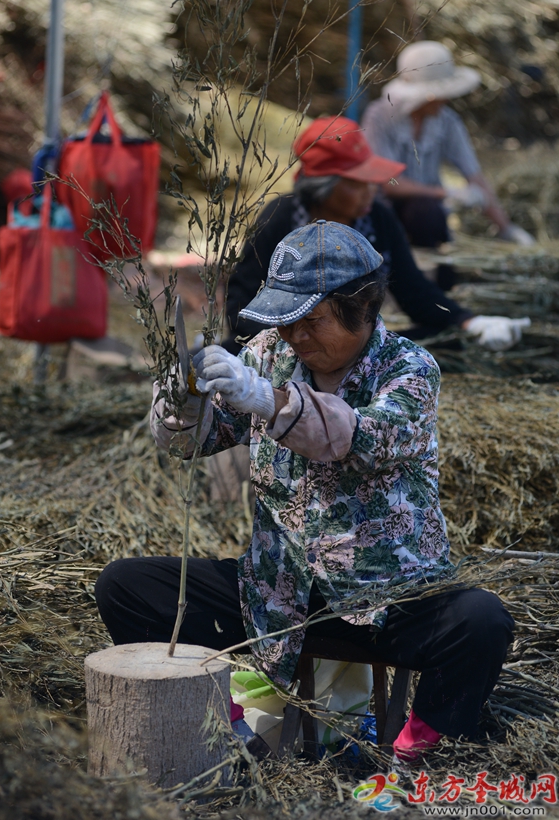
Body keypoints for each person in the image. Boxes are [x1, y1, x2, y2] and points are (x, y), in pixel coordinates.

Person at [95, 221, 514, 762]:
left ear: (363, 308)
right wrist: (183, 407)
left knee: (481, 621)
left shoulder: (409, 368)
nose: (296, 336)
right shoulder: (269, 353)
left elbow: (360, 439)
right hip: (279, 590)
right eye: (287, 321)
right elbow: (199, 440)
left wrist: (269, 399)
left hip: (386, 595)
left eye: (312, 321)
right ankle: (226, 733)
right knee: (127, 586)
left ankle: (416, 751)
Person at [224, 115, 530, 355]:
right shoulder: (281, 219)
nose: (371, 190)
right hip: (294, 340)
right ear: (323, 187)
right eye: (358, 183)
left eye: (371, 181)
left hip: (355, 341)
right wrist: (279, 344)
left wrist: (468, 321)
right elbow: (243, 300)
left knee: (442, 341)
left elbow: (413, 288)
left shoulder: (376, 218)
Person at [362, 40, 535, 248]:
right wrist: (445, 192)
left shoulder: (447, 122)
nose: (445, 100)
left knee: (427, 213)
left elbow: (474, 175)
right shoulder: (379, 118)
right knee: (420, 209)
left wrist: (506, 228)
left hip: (425, 216)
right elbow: (389, 183)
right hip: (382, 214)